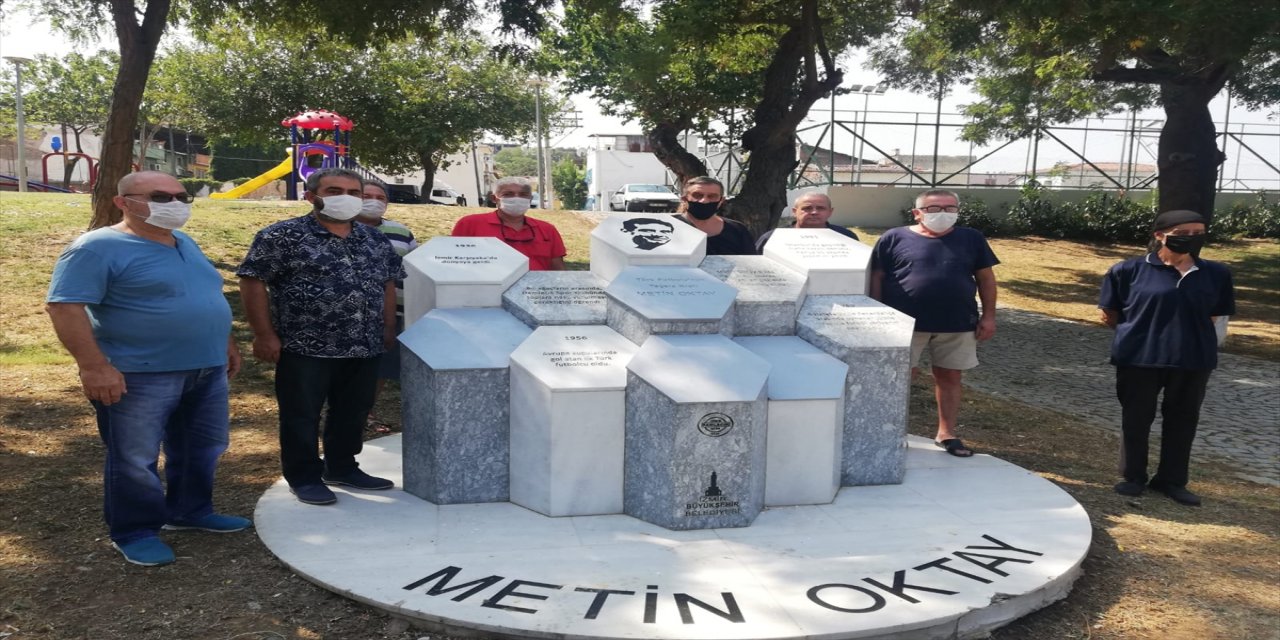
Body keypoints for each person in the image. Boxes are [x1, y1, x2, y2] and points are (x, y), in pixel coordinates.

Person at [46, 171, 249, 566]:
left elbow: (202, 294)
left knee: (202, 446)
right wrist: (93, 367)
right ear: (122, 202)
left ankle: (189, 511)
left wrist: (224, 341)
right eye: (160, 196)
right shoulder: (96, 248)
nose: (174, 204)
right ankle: (135, 531)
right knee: (134, 458)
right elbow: (64, 307)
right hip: (138, 373)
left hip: (205, 368)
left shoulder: (184, 242)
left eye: (181, 197)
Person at [237, 168, 405, 506]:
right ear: (311, 196)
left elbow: (388, 282)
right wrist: (264, 334)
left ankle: (342, 467)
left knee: (353, 410)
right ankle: (304, 477)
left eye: (354, 192)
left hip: (364, 343)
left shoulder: (374, 239)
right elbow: (253, 280)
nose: (346, 198)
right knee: (301, 415)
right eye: (334, 190)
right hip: (305, 346)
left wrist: (388, 327)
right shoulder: (281, 236)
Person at [1099, 209, 1234, 506]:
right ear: (1159, 235)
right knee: (1136, 418)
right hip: (1139, 358)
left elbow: (1213, 315)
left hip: (1193, 360)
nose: (1192, 239)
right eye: (1183, 234)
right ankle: (1133, 476)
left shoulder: (1217, 274)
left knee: (1183, 420)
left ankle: (1172, 480)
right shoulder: (1127, 271)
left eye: (1198, 233)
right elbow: (1110, 314)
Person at [869, 189, 998, 458]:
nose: (943, 213)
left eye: (950, 208)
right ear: (917, 213)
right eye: (934, 208)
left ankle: (946, 433)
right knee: (899, 377)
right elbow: (877, 277)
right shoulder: (894, 237)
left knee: (950, 377)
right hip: (902, 323)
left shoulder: (971, 238)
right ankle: (890, 432)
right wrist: (876, 314)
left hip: (957, 322)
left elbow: (986, 279)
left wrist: (988, 316)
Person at [356, 179, 418, 434]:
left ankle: (364, 413)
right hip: (349, 314)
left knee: (380, 368)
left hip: (393, 312)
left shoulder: (401, 232)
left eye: (380, 197)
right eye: (366, 196)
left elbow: (415, 266)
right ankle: (337, 413)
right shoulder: (335, 228)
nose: (374, 202)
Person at [451, 177, 567, 270]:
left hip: (535, 290)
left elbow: (558, 270)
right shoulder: (469, 224)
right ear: (494, 198)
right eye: (508, 194)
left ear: (530, 199)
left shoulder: (547, 229)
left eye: (523, 194)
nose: (516, 198)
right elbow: (454, 264)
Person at [674, 176, 756, 255]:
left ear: (721, 200)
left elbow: (751, 262)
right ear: (684, 198)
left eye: (712, 196)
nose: (704, 200)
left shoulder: (737, 230)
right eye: (698, 195)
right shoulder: (669, 227)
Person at [755, 191, 859, 252]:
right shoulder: (772, 238)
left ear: (830, 212)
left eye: (820, 208)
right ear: (795, 212)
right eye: (807, 208)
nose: (814, 212)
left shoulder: (847, 237)